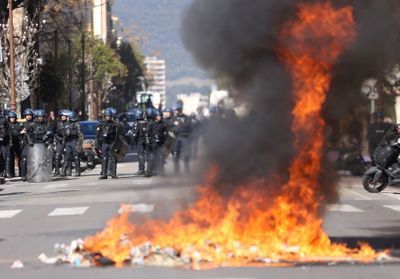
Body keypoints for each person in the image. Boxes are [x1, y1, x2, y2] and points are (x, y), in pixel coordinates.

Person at [95, 108, 119, 179]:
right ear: (105, 116)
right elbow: (98, 136)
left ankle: (113, 173)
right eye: (107, 116)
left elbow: (118, 135)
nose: (108, 117)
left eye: (109, 116)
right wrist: (98, 146)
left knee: (113, 158)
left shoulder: (114, 124)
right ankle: (104, 174)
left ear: (111, 116)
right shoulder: (101, 124)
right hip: (104, 144)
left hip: (112, 143)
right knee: (104, 159)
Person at [172, 103, 192, 175]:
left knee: (186, 155)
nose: (176, 111)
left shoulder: (186, 117)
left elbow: (187, 126)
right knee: (175, 154)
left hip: (185, 138)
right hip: (177, 138)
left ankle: (187, 170)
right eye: (175, 110)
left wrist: (179, 123)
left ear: (180, 110)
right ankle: (176, 170)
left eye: (177, 110)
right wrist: (174, 129)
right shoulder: (174, 118)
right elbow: (172, 126)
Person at [61, 111, 82, 177]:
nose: (67, 118)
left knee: (76, 156)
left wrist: (78, 144)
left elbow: (79, 134)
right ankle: (64, 171)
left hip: (74, 141)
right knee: (67, 156)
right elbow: (63, 133)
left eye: (68, 117)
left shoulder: (76, 124)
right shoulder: (66, 124)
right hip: (68, 141)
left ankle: (77, 171)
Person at [131, 109, 151, 176]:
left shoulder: (137, 123)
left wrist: (132, 142)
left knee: (141, 155)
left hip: (140, 140)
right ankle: (150, 169)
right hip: (147, 140)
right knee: (149, 155)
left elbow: (135, 134)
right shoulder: (147, 122)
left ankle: (141, 169)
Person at [150, 110, 167, 176]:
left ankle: (161, 170)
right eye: (158, 116)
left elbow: (166, 132)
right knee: (154, 157)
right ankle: (154, 170)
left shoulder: (163, 124)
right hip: (154, 142)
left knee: (161, 157)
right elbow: (148, 132)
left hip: (161, 142)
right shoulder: (152, 124)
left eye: (160, 116)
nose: (159, 117)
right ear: (155, 117)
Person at [53, 110, 70, 176]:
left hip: (67, 141)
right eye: (62, 116)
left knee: (67, 157)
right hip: (59, 142)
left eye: (65, 116)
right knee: (57, 156)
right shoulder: (57, 123)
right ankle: (57, 171)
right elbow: (54, 132)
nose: (63, 117)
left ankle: (65, 170)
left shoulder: (68, 124)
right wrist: (58, 138)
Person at [20, 109, 35, 181]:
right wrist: (21, 132)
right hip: (25, 144)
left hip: (34, 144)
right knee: (24, 159)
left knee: (34, 159)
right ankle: (23, 175)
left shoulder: (35, 124)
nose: (28, 117)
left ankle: (33, 174)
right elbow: (15, 134)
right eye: (27, 115)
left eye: (30, 115)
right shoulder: (22, 124)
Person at [6, 111, 22, 178]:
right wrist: (19, 133)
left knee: (20, 157)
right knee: (10, 157)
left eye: (13, 117)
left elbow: (22, 131)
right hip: (10, 142)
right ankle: (10, 173)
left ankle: (22, 172)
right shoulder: (7, 125)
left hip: (18, 142)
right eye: (11, 117)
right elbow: (11, 134)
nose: (12, 119)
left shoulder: (18, 124)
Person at [0, 112, 9, 179]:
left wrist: (1, 137)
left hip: (3, 142)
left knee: (3, 157)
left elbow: (4, 131)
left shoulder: (2, 120)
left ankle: (2, 172)